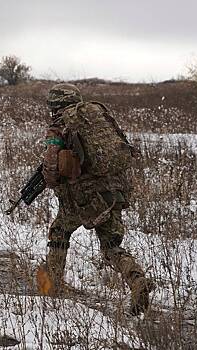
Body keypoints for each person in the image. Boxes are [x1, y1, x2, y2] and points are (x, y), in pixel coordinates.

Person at [36, 83, 154, 315]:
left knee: (59, 232)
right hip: (115, 191)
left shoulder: (59, 127)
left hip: (86, 198)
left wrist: (51, 178)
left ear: (55, 106)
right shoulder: (96, 119)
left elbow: (50, 169)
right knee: (111, 245)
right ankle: (136, 279)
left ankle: (51, 289)